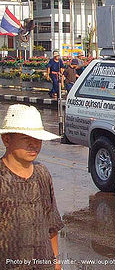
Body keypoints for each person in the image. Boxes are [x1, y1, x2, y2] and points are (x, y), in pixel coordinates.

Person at [0, 104, 63, 269]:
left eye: (37, 139)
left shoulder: (42, 173)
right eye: (26, 139)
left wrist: (56, 261)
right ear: (7, 139)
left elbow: (52, 224)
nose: (34, 145)